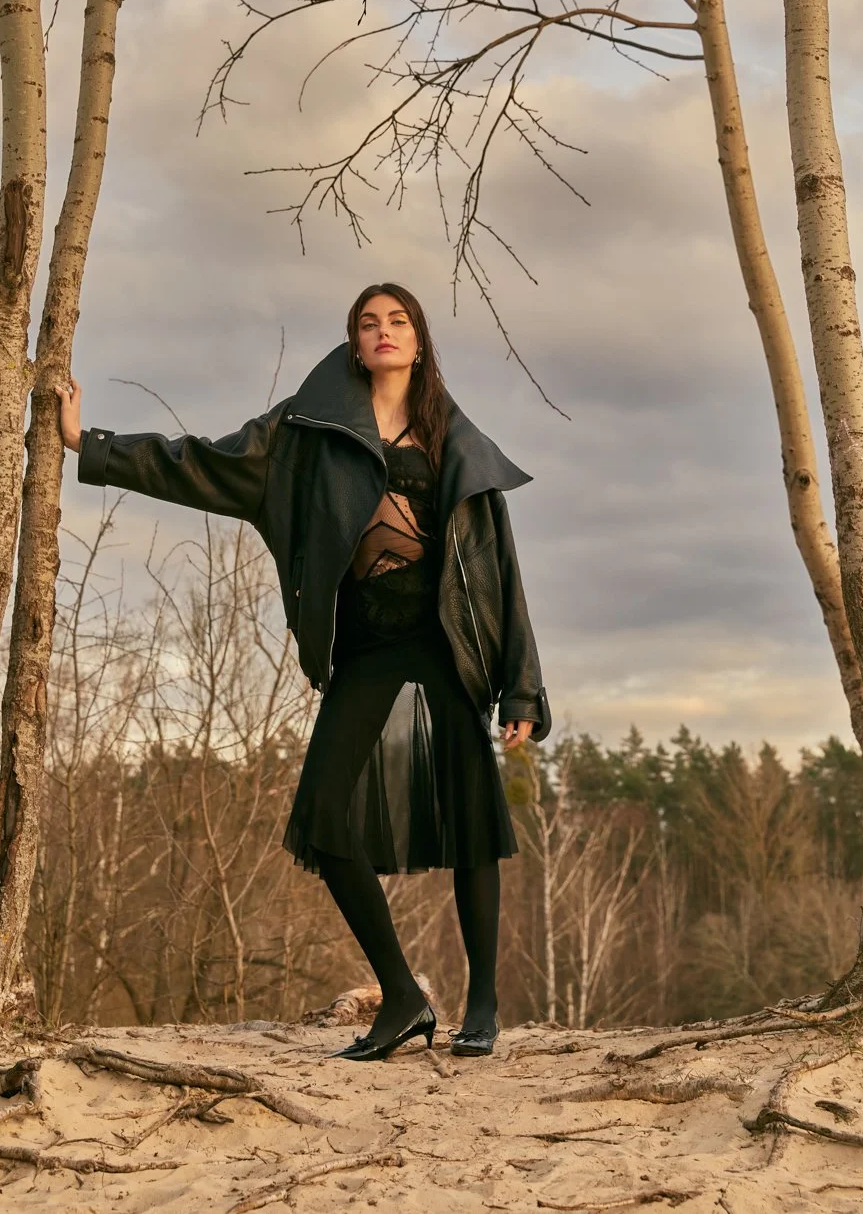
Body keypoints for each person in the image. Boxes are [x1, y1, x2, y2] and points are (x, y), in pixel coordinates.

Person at [57, 282, 550, 1061]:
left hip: (444, 639)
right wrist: (94, 445)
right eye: (369, 323)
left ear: (419, 343)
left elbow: (500, 574)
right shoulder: (307, 430)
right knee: (323, 815)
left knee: (472, 819)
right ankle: (402, 995)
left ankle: (483, 1002)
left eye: (398, 322)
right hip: (364, 643)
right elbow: (206, 464)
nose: (384, 332)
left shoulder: (457, 440)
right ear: (354, 343)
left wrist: (523, 687)